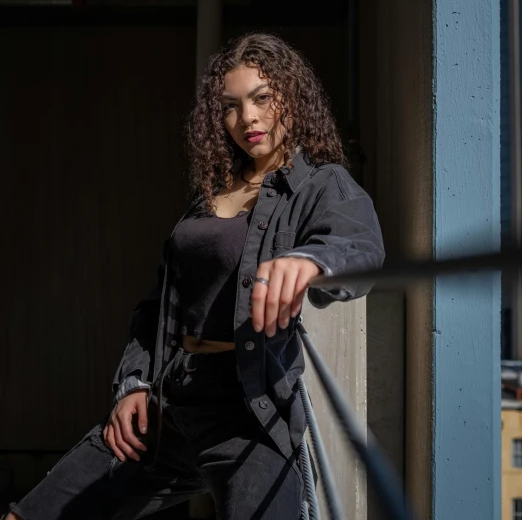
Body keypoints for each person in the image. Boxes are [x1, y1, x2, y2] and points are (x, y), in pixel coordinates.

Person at [5, 32, 385, 520]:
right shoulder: (208, 198)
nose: (247, 118)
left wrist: (311, 261)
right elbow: (158, 306)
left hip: (249, 414)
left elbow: (360, 249)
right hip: (169, 403)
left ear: (291, 97)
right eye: (231, 106)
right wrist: (134, 384)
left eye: (262, 98)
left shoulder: (321, 183)